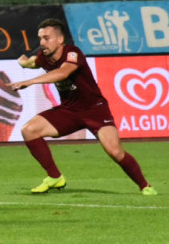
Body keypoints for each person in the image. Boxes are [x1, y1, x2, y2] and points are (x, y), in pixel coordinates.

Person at [8, 18, 156, 196]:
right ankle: (55, 177)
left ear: (60, 40)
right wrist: (23, 62)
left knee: (115, 151)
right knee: (29, 130)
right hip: (69, 110)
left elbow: (63, 72)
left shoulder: (72, 52)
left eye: (47, 38)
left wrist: (30, 82)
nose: (42, 43)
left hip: (95, 110)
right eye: (40, 38)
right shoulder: (44, 58)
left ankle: (145, 186)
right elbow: (32, 62)